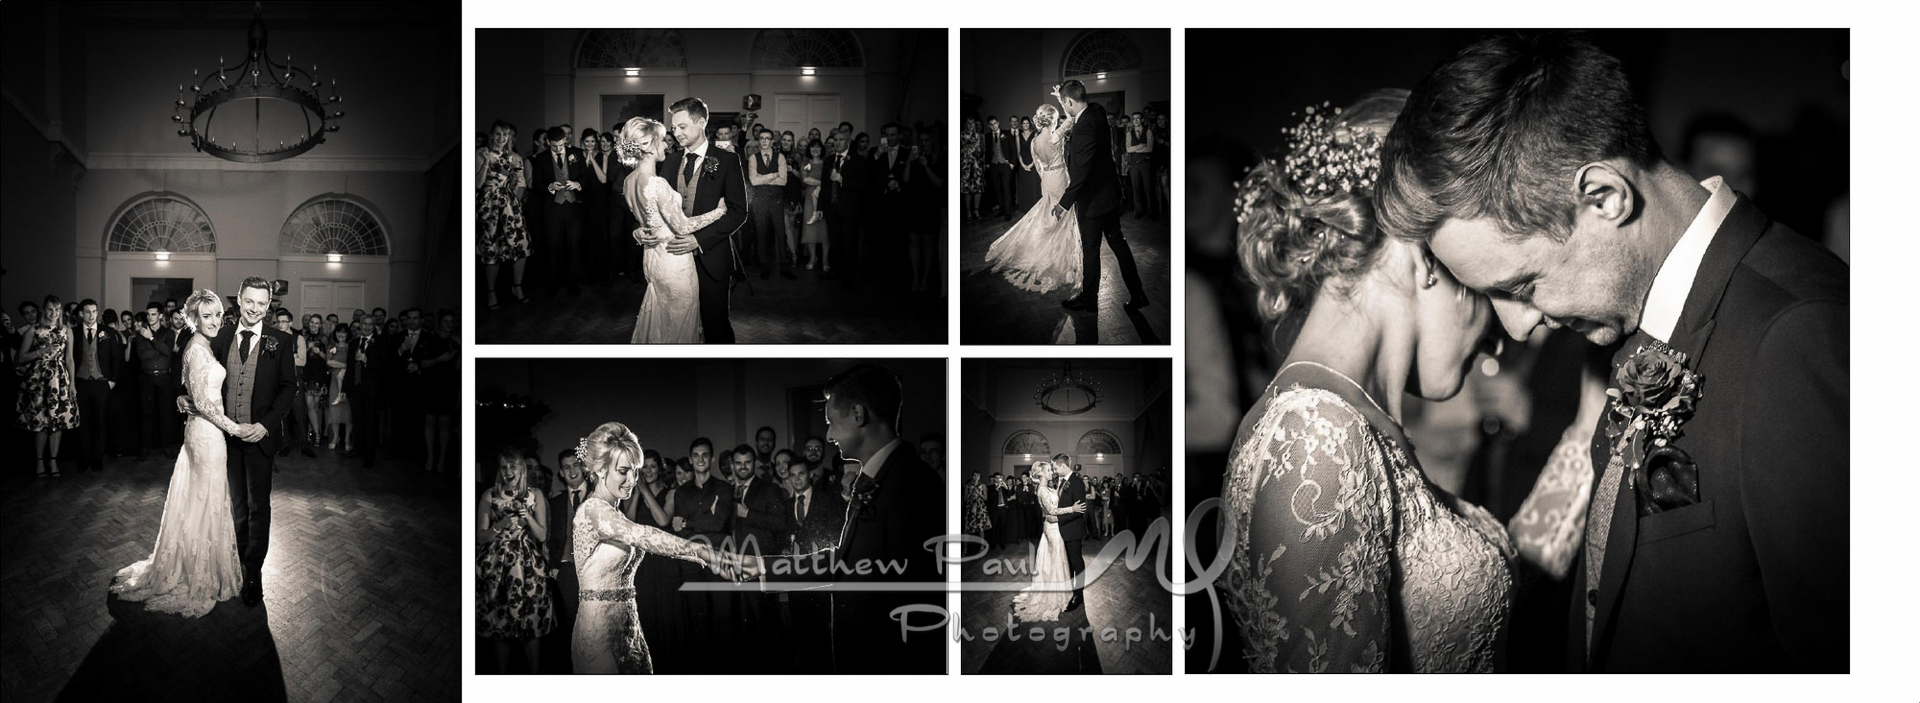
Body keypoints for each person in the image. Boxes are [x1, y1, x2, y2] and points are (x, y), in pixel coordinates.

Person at [1374, 32, 1847, 673]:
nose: (1515, 329)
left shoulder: (1796, 333)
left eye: (1522, 284)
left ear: (1605, 197)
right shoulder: (1630, 317)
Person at [1217, 90, 1596, 673]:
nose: (1507, 334)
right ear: (1424, 250)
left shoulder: (1352, 425)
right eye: (1495, 288)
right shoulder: (1314, 436)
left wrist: (1589, 428)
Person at [570, 422, 758, 673]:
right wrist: (704, 552)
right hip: (598, 630)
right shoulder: (593, 510)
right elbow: (645, 534)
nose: (632, 480)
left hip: (629, 627)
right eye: (624, 471)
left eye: (635, 471)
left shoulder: (615, 512)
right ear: (601, 469)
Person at [108, 289, 247, 616]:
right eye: (206, 316)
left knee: (202, 500)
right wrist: (236, 428)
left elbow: (189, 394)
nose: (214, 321)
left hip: (203, 433)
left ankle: (199, 564)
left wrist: (184, 401)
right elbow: (204, 405)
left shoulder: (201, 346)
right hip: (208, 435)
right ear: (193, 319)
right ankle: (199, 571)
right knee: (206, 499)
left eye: (216, 315)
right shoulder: (198, 351)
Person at [820, 363, 944, 673]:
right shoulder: (873, 477)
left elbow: (919, 610)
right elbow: (854, 562)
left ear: (858, 415)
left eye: (831, 422)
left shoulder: (913, 484)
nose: (828, 434)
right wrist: (765, 567)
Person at [622, 116, 733, 344]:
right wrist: (718, 211)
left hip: (653, 260)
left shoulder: (629, 181)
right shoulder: (656, 183)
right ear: (650, 144)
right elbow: (682, 226)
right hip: (674, 261)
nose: (666, 145)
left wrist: (638, 233)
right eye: (663, 141)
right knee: (680, 323)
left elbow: (647, 220)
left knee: (662, 318)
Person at [654, 99, 749, 343]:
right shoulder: (671, 160)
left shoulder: (727, 160)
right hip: (673, 260)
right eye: (674, 128)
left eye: (683, 126)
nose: (677, 133)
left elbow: (738, 211)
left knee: (715, 324)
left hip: (712, 258)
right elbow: (656, 207)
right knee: (678, 325)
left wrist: (699, 240)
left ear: (702, 122)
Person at [1053, 81, 1148, 312]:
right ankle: (1138, 294)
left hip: (1092, 201)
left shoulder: (1084, 125)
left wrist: (1064, 203)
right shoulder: (1097, 113)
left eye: (1066, 104)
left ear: (1069, 102)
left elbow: (1082, 170)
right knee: (1118, 243)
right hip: (1109, 196)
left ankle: (1089, 298)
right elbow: (1078, 109)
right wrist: (1063, 102)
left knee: (1091, 249)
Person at [984, 104, 1082, 293]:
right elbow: (1071, 118)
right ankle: (1058, 256)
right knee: (1063, 215)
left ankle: (1045, 249)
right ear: (1053, 120)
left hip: (1046, 179)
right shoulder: (1055, 136)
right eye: (1055, 118)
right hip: (1060, 177)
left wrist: (1046, 177)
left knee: (1048, 215)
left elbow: (1038, 167)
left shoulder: (1035, 141)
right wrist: (1062, 102)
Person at [478, 447, 554, 672]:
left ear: (521, 469)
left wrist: (527, 516)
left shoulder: (535, 494)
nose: (508, 471)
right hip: (496, 567)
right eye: (504, 467)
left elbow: (541, 535)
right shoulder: (489, 495)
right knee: (499, 627)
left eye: (513, 466)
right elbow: (480, 537)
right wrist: (498, 526)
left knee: (530, 626)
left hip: (527, 567)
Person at [1008, 460, 1087, 621]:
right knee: (1056, 559)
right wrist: (1072, 509)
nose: (1052, 471)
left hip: (1055, 527)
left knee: (1055, 559)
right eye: (1049, 470)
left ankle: (1064, 590)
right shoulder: (1042, 490)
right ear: (1042, 473)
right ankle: (1057, 593)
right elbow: (1051, 510)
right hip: (1053, 529)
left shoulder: (1050, 487)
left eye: (1052, 469)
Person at [17, 295, 78, 477]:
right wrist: (41, 351)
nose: (54, 313)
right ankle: (39, 462)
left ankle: (53, 461)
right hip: (38, 379)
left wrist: (72, 383)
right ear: (45, 310)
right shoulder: (34, 330)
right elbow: (21, 357)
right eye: (50, 309)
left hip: (59, 380)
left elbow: (70, 359)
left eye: (57, 309)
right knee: (40, 423)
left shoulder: (66, 330)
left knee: (57, 423)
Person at [480, 119, 531, 310]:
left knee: (521, 246)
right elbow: (477, 184)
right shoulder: (481, 154)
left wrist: (514, 202)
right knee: (492, 249)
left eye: (506, 134)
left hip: (510, 206)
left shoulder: (516, 158)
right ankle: (491, 292)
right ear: (492, 135)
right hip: (489, 206)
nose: (502, 138)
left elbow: (521, 183)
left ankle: (517, 287)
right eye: (499, 134)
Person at [71, 299, 123, 472]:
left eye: (94, 311)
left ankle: (97, 457)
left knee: (100, 422)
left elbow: (116, 358)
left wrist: (112, 381)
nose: (91, 315)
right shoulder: (74, 333)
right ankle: (84, 458)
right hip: (81, 383)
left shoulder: (108, 332)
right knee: (83, 422)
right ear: (81, 313)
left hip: (101, 383)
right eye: (87, 311)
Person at [799, 139, 830, 271]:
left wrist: (822, 185)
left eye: (818, 147)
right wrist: (822, 183)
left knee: (825, 230)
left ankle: (825, 259)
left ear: (822, 148)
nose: (815, 150)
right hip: (810, 200)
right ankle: (812, 257)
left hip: (824, 199)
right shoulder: (806, 162)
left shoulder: (827, 162)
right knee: (810, 229)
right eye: (813, 147)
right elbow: (805, 179)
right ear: (809, 149)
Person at [322, 324, 354, 451]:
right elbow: (329, 362)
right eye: (339, 332)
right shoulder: (332, 346)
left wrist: (343, 367)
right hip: (334, 382)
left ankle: (347, 439)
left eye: (344, 333)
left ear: (347, 334)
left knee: (348, 413)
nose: (341, 335)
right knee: (334, 411)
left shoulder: (350, 347)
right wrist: (344, 365)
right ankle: (335, 437)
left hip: (347, 382)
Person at [961, 118, 984, 221]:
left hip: (977, 165)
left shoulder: (979, 136)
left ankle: (976, 210)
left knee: (978, 188)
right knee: (967, 189)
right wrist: (967, 149)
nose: (971, 125)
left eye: (973, 123)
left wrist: (978, 150)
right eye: (969, 123)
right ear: (965, 124)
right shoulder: (960, 135)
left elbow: (982, 150)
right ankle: (968, 211)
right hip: (965, 165)